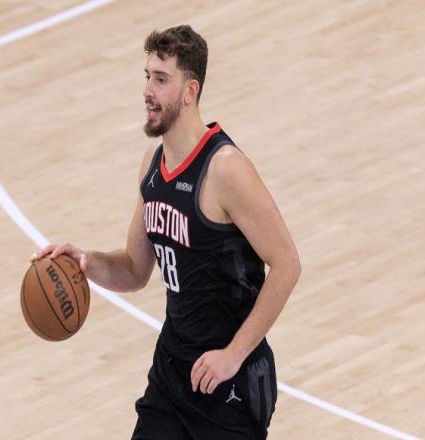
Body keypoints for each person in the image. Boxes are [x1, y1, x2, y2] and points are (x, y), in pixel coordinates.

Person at [34, 25, 301, 440]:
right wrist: (85, 262)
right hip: (172, 371)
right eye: (147, 77)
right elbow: (134, 269)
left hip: (228, 385)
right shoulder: (152, 165)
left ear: (190, 90)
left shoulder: (225, 169)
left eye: (161, 80)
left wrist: (232, 355)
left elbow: (287, 265)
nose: (147, 91)